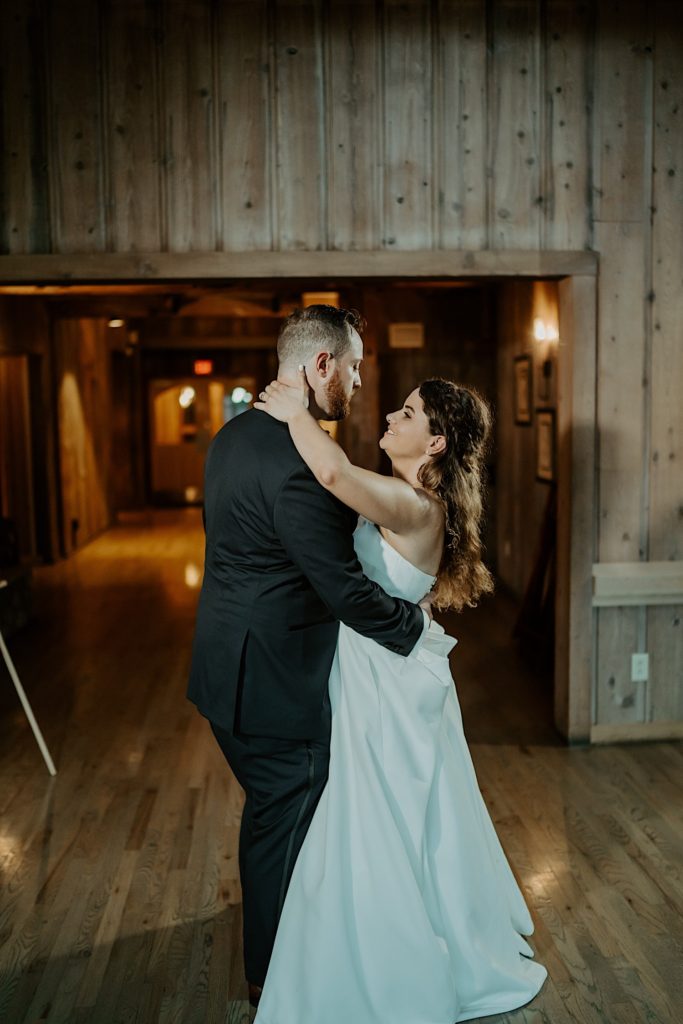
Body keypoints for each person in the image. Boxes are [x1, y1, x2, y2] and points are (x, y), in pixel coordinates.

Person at [252, 373, 548, 1023]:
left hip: (386, 681)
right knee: (404, 814)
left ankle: (391, 953)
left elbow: (332, 476)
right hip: (381, 666)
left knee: (382, 813)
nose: (390, 414)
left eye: (407, 412)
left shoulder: (410, 503)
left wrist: (293, 411)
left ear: (435, 442)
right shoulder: (405, 495)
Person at [186, 306, 432, 1009]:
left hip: (226, 663)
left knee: (273, 810)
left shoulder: (232, 438)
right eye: (352, 368)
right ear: (320, 365)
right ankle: (276, 978)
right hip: (268, 682)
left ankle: (291, 948)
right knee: (284, 814)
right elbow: (343, 588)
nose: (357, 385)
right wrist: (412, 630)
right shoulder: (300, 466)